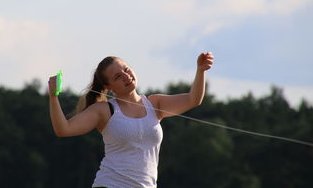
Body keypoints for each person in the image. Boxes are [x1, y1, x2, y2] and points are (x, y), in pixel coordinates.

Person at [48, 53, 214, 188]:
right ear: (108, 87)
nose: (126, 76)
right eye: (118, 76)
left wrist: (200, 70)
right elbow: (64, 129)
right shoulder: (104, 110)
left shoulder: (155, 103)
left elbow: (194, 99)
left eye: (127, 70)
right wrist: (53, 96)